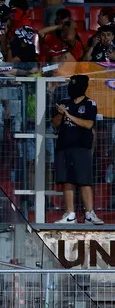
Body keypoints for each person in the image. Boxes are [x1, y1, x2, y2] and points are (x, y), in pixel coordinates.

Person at [53, 75, 103, 224]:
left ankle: (89, 214)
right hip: (64, 147)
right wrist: (61, 114)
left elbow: (88, 124)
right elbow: (55, 124)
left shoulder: (89, 104)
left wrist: (68, 115)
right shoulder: (63, 103)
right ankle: (70, 214)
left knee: (84, 181)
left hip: (82, 147)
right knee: (67, 180)